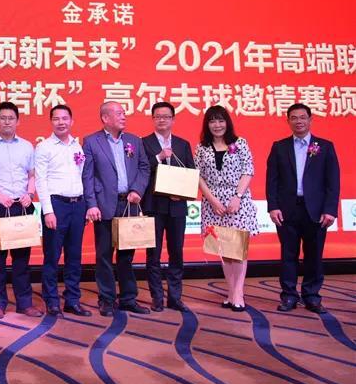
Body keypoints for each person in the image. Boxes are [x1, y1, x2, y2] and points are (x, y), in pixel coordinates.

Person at [267, 103, 340, 314]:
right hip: (287, 210)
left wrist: (330, 209)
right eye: (294, 118)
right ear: (288, 121)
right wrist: (273, 206)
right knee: (288, 255)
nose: (298, 121)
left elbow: (332, 182)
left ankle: (312, 296)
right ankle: (289, 295)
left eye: (302, 117)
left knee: (314, 255)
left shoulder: (325, 146)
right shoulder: (279, 147)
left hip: (316, 211)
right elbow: (272, 180)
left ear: (310, 120)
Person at [0, 101, 42, 320]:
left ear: (17, 121)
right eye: (2, 118)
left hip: (21, 206)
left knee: (22, 258)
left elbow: (32, 174)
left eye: (11, 118)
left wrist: (30, 193)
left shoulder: (27, 146)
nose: (7, 122)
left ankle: (25, 303)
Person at [82, 101, 151, 317]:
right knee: (104, 255)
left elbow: (144, 167)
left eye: (123, 113)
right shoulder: (91, 142)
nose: (124, 116)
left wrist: (137, 189)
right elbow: (87, 175)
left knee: (127, 255)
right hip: (104, 205)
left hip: (129, 204)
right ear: (105, 118)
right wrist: (92, 204)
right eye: (119, 113)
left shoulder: (134, 141)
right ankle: (107, 299)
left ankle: (128, 298)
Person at [195, 105, 258, 312]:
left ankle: (238, 294)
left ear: (227, 123)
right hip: (213, 204)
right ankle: (231, 293)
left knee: (237, 250)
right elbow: (198, 176)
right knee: (223, 251)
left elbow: (248, 170)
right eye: (212, 121)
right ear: (207, 124)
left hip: (237, 202)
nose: (217, 125)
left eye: (221, 120)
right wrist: (212, 200)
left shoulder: (240, 143)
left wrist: (237, 197)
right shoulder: (201, 147)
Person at [35, 104, 91, 317]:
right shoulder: (44, 147)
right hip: (56, 205)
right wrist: (48, 211)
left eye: (65, 118)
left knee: (74, 256)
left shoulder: (78, 146)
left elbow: (82, 176)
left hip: (78, 205)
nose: (61, 122)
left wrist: (86, 206)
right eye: (56, 119)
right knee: (52, 256)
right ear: (51, 122)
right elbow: (40, 180)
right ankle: (52, 301)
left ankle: (72, 300)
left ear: (71, 121)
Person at [141, 102, 194, 313]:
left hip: (177, 205)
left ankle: (175, 297)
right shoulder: (143, 142)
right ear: (153, 119)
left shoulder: (183, 144)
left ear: (173, 119)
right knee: (153, 254)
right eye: (158, 116)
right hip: (154, 205)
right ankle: (157, 297)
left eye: (166, 116)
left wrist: (181, 192)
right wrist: (159, 157)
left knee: (176, 252)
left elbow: (191, 172)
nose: (162, 120)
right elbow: (141, 169)